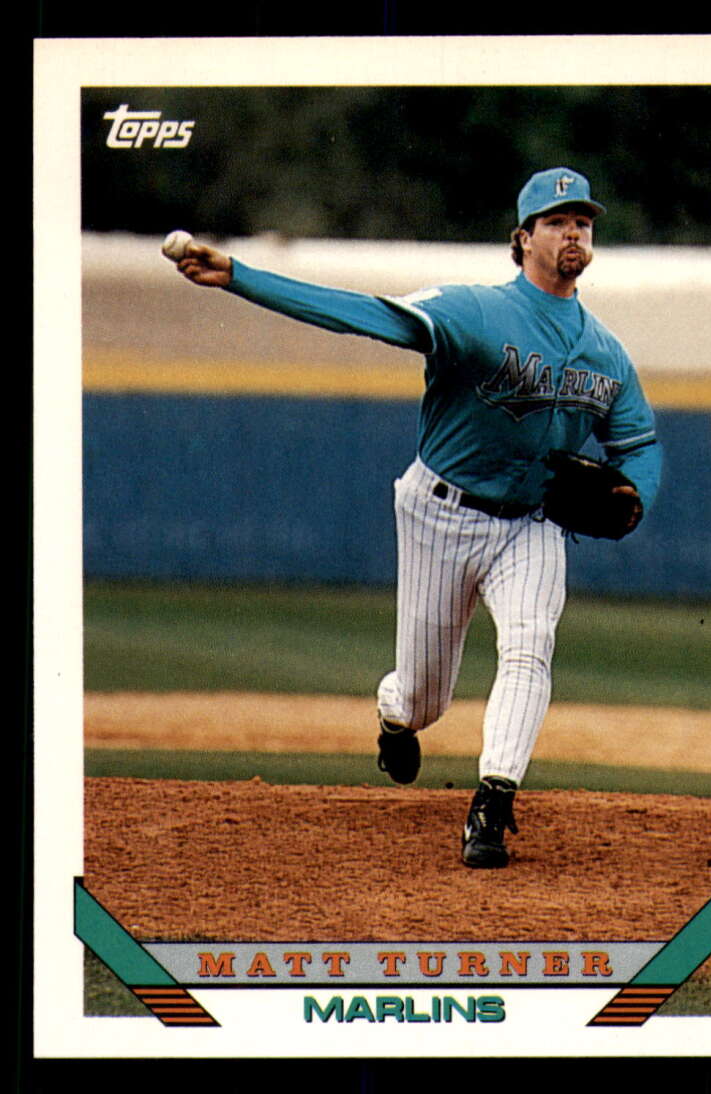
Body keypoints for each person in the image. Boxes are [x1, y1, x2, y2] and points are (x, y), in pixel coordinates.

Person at [174, 166, 661, 869]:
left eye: (582, 222)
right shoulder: (474, 312)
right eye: (556, 222)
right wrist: (240, 277)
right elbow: (365, 314)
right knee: (426, 698)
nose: (573, 233)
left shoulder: (606, 352)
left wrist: (636, 492)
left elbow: (638, 442)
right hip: (441, 512)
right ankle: (395, 712)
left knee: (530, 643)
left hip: (532, 522)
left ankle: (492, 805)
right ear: (523, 239)